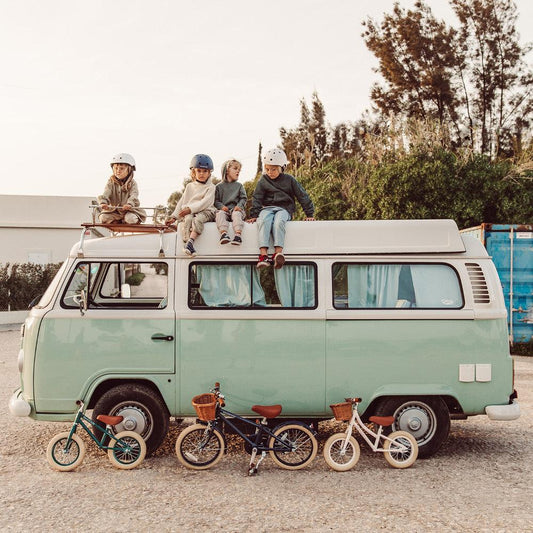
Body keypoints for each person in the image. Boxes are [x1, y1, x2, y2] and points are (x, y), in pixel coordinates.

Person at [248, 148, 315, 268]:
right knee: (263, 221)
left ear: (282, 167)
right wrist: (254, 215)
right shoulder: (263, 180)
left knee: (279, 222)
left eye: (273, 169)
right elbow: (257, 198)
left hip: (284, 208)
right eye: (267, 169)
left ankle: (278, 253)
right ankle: (263, 255)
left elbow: (302, 195)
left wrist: (309, 214)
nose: (270, 172)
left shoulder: (289, 180)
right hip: (267, 208)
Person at [166, 154, 216, 257]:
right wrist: (174, 217)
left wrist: (190, 209)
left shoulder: (211, 187)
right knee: (187, 219)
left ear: (209, 172)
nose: (202, 174)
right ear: (193, 171)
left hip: (206, 211)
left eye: (205, 171)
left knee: (197, 220)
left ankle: (190, 242)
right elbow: (181, 202)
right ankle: (187, 244)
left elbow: (205, 202)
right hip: (190, 211)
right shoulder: (189, 186)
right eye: (199, 171)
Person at [97, 153, 146, 224]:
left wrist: (130, 204)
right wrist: (103, 202)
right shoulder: (111, 182)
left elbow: (134, 195)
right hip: (114, 211)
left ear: (129, 170)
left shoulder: (133, 183)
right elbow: (106, 192)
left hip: (130, 211)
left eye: (122, 168)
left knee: (131, 219)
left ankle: (131, 220)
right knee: (103, 218)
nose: (118, 171)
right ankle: (117, 221)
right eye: (116, 168)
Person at [215, 159, 247, 245]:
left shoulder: (239, 186)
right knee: (219, 214)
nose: (238, 171)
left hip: (236, 210)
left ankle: (238, 235)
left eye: (239, 170)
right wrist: (221, 206)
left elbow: (243, 198)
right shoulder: (218, 187)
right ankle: (224, 234)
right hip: (224, 211)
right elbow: (216, 201)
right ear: (227, 170)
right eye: (235, 168)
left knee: (236, 214)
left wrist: (239, 206)